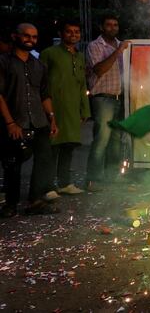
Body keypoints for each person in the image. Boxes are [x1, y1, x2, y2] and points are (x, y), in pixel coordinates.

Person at [0, 23, 59, 217]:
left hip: (39, 121)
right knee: (13, 164)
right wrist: (10, 123)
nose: (30, 40)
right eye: (26, 36)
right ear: (15, 36)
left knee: (44, 160)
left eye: (34, 36)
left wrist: (52, 119)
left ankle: (35, 201)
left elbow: (44, 95)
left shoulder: (39, 65)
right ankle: (11, 204)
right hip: (15, 121)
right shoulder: (4, 62)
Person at [39, 20, 91, 195]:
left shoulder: (80, 56)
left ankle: (64, 183)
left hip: (73, 108)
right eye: (69, 32)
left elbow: (82, 85)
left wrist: (85, 109)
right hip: (54, 107)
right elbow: (40, 83)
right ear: (61, 33)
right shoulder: (49, 54)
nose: (73, 35)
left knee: (69, 146)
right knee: (52, 148)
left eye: (76, 32)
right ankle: (46, 186)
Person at [85, 15, 129, 191]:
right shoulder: (94, 46)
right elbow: (99, 69)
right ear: (101, 27)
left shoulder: (123, 46)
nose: (112, 27)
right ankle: (93, 180)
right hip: (102, 98)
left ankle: (112, 177)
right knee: (101, 139)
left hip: (119, 98)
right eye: (108, 25)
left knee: (116, 141)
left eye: (115, 25)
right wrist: (118, 51)